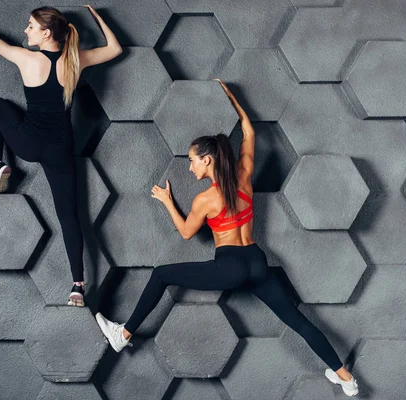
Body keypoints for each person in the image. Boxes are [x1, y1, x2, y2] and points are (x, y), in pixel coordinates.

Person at [95, 79, 359, 397]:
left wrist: (167, 202)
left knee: (162, 275)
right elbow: (249, 131)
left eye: (192, 160)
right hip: (258, 262)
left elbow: (187, 232)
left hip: (230, 266)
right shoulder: (244, 176)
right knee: (298, 321)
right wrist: (234, 98)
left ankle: (123, 333)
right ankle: (346, 378)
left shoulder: (206, 199)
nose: (190, 166)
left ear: (207, 160)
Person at [0, 5, 122, 306]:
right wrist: (98, 17)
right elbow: (115, 48)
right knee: (70, 217)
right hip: (60, 151)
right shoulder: (75, 61)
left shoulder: (27, 58)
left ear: (46, 33)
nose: (26, 31)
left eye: (31, 26)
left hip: (28, 144)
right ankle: (77, 285)